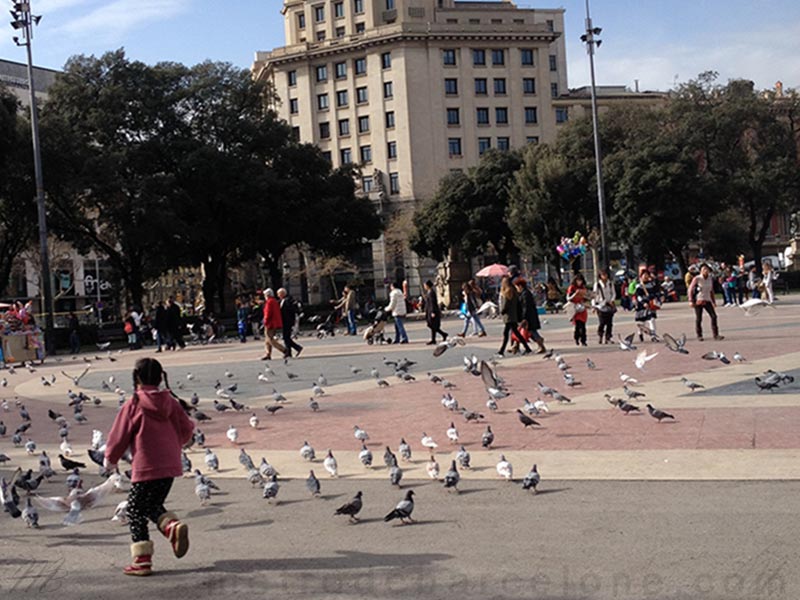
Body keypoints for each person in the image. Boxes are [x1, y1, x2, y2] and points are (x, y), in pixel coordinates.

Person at [103, 357, 194, 576]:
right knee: (151, 505)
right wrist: (174, 444)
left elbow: (119, 435)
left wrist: (110, 459)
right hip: (170, 464)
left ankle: (142, 560)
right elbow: (187, 428)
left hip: (146, 466)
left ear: (136, 377)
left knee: (134, 509)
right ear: (161, 377)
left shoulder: (134, 403)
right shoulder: (170, 401)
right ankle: (171, 527)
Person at [688, 263, 724, 341]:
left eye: (707, 269)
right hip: (699, 300)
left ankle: (716, 335)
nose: (705, 271)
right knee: (699, 318)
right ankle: (699, 335)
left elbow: (711, 291)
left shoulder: (710, 279)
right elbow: (690, 289)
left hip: (707, 300)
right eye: (704, 269)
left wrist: (713, 301)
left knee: (714, 316)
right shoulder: (697, 278)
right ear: (701, 271)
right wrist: (690, 300)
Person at [497, 275, 531, 355]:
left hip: (508, 316)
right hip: (513, 315)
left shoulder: (507, 292)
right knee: (516, 333)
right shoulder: (514, 291)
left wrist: (502, 311)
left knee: (506, 334)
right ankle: (527, 348)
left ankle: (501, 351)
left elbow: (505, 304)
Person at [514, 278, 546, 353]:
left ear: (520, 286)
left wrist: (524, 318)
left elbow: (526, 306)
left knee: (531, 332)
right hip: (529, 316)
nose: (516, 289)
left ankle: (541, 345)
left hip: (529, 317)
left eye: (517, 287)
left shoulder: (526, 294)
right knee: (529, 332)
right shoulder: (524, 293)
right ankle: (516, 346)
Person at [633, 268, 659, 342]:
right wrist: (643, 303)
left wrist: (656, 299)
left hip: (651, 304)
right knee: (642, 322)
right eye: (644, 275)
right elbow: (638, 296)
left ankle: (653, 336)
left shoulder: (652, 284)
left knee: (652, 319)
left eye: (647, 275)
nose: (646, 276)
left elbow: (656, 293)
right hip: (642, 306)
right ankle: (640, 333)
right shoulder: (639, 286)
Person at [277, 288, 303, 358]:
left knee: (286, 337)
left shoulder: (288, 300)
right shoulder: (282, 301)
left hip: (287, 321)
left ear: (282, 294)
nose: (278, 295)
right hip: (285, 321)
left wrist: (292, 320)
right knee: (286, 337)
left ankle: (295, 349)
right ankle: (291, 351)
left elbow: (291, 311)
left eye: (279, 294)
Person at [592, 269, 616, 344]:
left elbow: (613, 293)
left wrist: (612, 300)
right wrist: (594, 306)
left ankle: (608, 337)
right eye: (603, 275)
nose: (604, 276)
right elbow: (594, 295)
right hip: (600, 306)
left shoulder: (610, 284)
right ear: (600, 276)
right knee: (602, 322)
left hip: (609, 305)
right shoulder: (597, 285)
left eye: (606, 275)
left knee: (609, 323)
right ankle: (600, 335)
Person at [261, 288, 286, 360]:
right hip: (274, 323)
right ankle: (268, 354)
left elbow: (268, 314)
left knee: (270, 339)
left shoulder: (269, 302)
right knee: (267, 340)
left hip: (270, 323)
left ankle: (283, 350)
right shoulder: (274, 301)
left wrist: (264, 322)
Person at [566, 273, 589, 346]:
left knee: (583, 326)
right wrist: (575, 294)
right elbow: (568, 298)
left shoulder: (583, 288)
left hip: (582, 308)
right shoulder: (572, 288)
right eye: (578, 280)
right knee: (577, 326)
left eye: (581, 280)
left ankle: (583, 340)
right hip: (575, 309)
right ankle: (576, 338)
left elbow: (586, 297)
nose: (579, 282)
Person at [422, 280, 448, 344]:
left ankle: (441, 335)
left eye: (425, 285)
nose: (424, 286)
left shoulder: (431, 292)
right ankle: (438, 337)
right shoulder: (429, 292)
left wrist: (433, 312)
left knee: (432, 325)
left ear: (428, 285)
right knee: (432, 325)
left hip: (432, 310)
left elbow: (433, 303)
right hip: (429, 310)